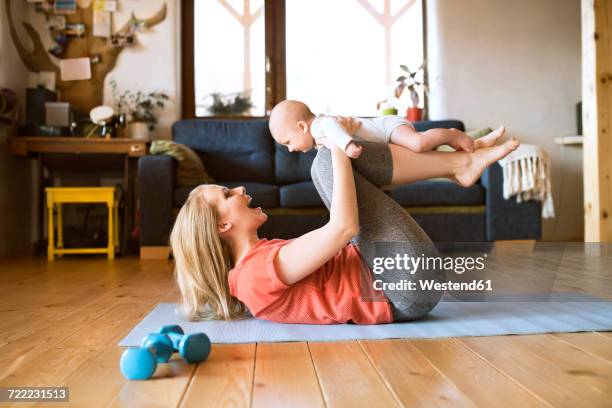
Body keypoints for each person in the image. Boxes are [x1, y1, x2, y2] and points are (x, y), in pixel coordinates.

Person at [169, 116, 520, 324]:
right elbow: (344, 229)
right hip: (400, 286)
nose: (240, 189)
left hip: (394, 275)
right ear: (222, 227)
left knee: (335, 158)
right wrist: (337, 143)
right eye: (228, 195)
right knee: (325, 160)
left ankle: (459, 165)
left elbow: (345, 235)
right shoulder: (251, 276)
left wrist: (341, 144)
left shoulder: (256, 264)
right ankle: (457, 166)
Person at [268, 99, 506, 159]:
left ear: (302, 126)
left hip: (387, 128)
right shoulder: (317, 138)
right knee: (425, 154)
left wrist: (348, 144)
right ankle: (475, 145)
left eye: (288, 142)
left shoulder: (320, 125)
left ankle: (453, 134)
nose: (289, 150)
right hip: (385, 137)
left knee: (419, 144)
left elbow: (332, 126)